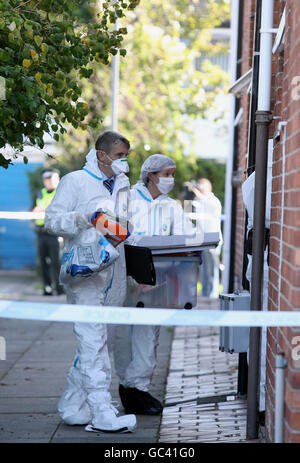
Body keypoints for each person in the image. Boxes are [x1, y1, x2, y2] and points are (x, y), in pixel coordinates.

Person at [44, 130, 137, 434]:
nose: (124, 161)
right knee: (92, 340)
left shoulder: (123, 184)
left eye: (126, 156)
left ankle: (73, 407)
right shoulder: (75, 181)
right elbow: (52, 220)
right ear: (102, 154)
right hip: (84, 272)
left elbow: (124, 222)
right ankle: (101, 412)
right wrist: (84, 218)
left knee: (98, 344)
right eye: (120, 155)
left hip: (114, 272)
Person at [113, 154, 193, 416]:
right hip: (126, 276)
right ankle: (126, 386)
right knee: (123, 335)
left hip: (158, 278)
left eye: (173, 173)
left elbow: (185, 236)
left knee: (149, 335)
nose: (171, 179)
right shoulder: (128, 199)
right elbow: (118, 232)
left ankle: (139, 388)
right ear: (151, 175)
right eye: (167, 174)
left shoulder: (172, 206)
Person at [32, 169, 63, 296]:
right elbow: (32, 210)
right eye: (46, 179)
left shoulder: (60, 194)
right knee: (43, 262)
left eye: (52, 179)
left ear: (58, 180)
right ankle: (47, 288)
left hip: (55, 233)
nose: (49, 182)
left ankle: (60, 288)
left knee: (56, 262)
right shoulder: (40, 193)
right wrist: (35, 210)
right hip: (41, 233)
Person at [192, 178, 222, 298]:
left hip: (213, 241)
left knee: (211, 271)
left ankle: (212, 296)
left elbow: (211, 207)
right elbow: (192, 214)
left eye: (201, 188)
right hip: (203, 241)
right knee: (204, 271)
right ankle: (205, 295)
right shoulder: (200, 202)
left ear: (208, 188)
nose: (199, 190)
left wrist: (200, 196)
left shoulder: (212, 200)